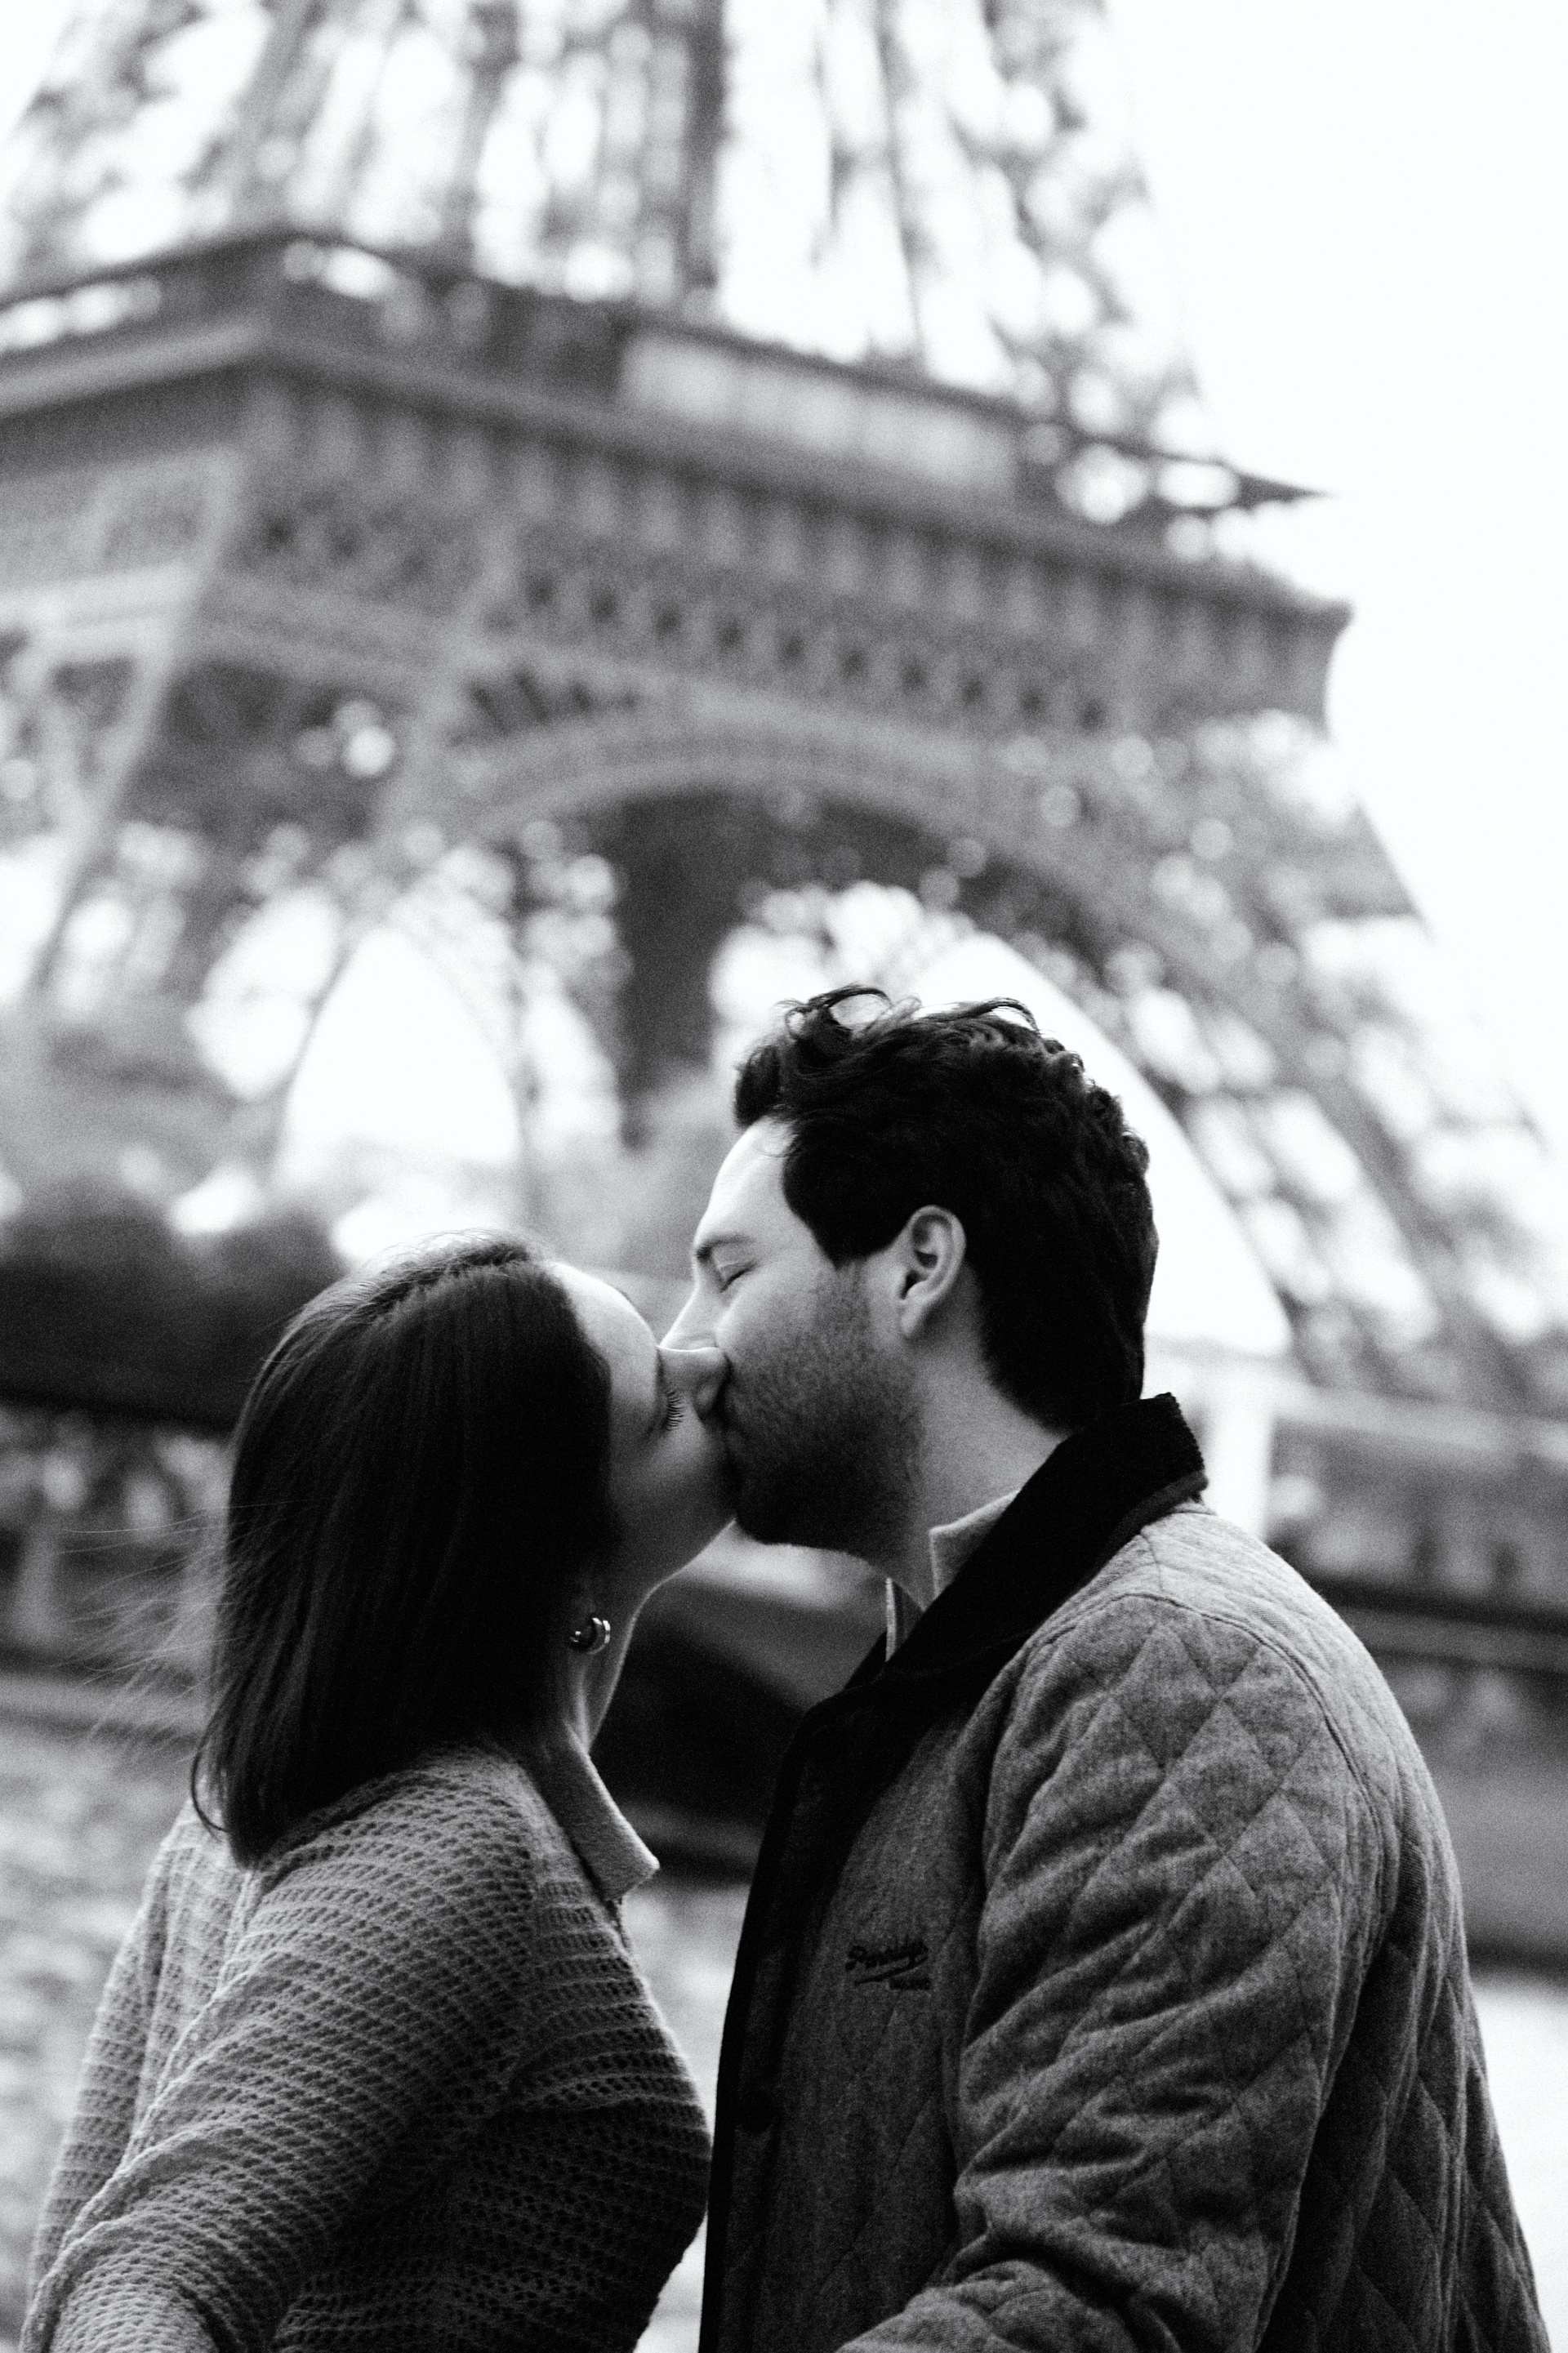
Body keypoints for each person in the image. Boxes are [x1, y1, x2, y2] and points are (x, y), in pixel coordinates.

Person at [665, 987, 1547, 2353]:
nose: (687, 1342)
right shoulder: (985, 1670)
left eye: (730, 1274)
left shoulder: (1177, 1675)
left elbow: (1094, 2307)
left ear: (919, 1265)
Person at [24, 1235, 733, 2353]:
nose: (710, 1363)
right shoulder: (458, 1845)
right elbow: (135, 2280)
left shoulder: (246, 1808)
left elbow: (80, 2247)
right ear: (546, 1551)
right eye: (661, 1409)